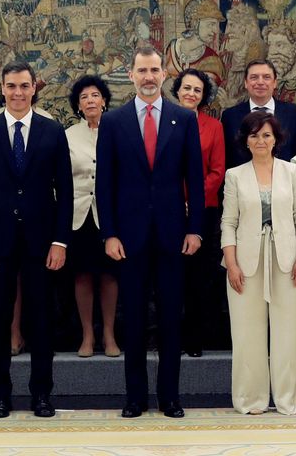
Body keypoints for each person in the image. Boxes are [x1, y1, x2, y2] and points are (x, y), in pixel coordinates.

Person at [96, 46, 205, 419]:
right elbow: (104, 184)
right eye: (142, 70)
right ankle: (135, 398)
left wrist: (196, 230)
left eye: (154, 70)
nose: (148, 76)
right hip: (129, 238)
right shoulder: (113, 122)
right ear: (131, 74)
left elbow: (195, 180)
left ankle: (170, 397)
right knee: (135, 320)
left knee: (172, 317)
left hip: (174, 236)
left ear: (164, 74)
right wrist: (109, 233)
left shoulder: (183, 119)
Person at [0, 61, 73, 419]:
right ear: (2, 88)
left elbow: (66, 192)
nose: (17, 93)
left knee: (40, 320)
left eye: (24, 86)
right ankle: (0, 395)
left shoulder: (53, 131)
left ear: (33, 89)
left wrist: (61, 241)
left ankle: (42, 394)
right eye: (11, 86)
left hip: (42, 244)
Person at [221, 111, 296, 415]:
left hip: (287, 260)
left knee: (288, 333)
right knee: (247, 334)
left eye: (266, 135)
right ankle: (251, 399)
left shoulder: (292, 172)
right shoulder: (234, 175)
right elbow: (228, 223)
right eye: (254, 135)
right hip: (245, 261)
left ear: (276, 139)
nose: (261, 140)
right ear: (245, 140)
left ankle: (288, 399)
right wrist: (231, 264)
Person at [65, 75, 121, 358]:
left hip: (110, 215)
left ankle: (109, 334)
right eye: (84, 96)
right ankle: (88, 334)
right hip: (79, 215)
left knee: (110, 275)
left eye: (95, 95)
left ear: (104, 101)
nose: (90, 100)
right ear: (78, 104)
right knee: (83, 275)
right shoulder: (68, 135)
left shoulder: (118, 130)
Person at [173, 68, 226, 357]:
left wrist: (192, 201)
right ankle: (170, 337)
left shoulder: (213, 127)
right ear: (177, 90)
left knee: (199, 278)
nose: (191, 94)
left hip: (203, 211)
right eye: (187, 88)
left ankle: (194, 339)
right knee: (172, 277)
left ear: (203, 96)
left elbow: (217, 172)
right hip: (169, 211)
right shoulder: (165, 122)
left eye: (197, 90)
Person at [221, 59, 296, 168]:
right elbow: (227, 157)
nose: (260, 82)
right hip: (243, 182)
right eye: (254, 77)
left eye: (266, 77)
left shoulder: (294, 114)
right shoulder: (230, 116)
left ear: (275, 83)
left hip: (284, 182)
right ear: (246, 83)